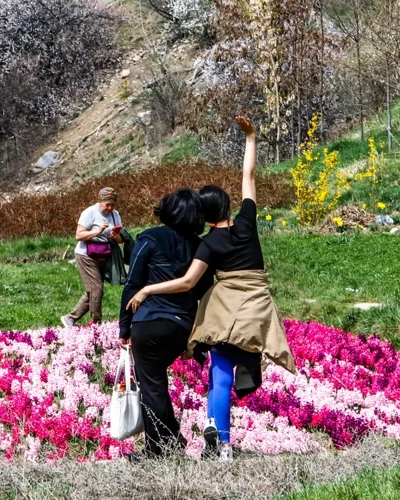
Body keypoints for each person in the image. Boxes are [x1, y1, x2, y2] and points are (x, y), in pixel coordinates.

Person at [126, 117, 296, 462]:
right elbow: (248, 176)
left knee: (219, 375)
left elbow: (189, 281)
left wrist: (146, 291)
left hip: (226, 312)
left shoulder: (208, 244)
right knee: (246, 355)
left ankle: (222, 443)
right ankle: (248, 373)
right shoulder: (247, 222)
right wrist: (250, 136)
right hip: (258, 308)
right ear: (229, 205)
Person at [118, 189, 213, 462]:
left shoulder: (149, 237)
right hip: (182, 326)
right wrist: (197, 339)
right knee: (156, 382)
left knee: (153, 387)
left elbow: (133, 283)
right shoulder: (201, 247)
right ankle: (171, 438)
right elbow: (204, 291)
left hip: (150, 322)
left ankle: (156, 450)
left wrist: (124, 328)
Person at [61, 187, 123, 327]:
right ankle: (96, 324)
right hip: (86, 255)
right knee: (96, 289)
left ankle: (70, 318)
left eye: (113, 204)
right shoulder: (89, 213)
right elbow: (79, 235)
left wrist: (116, 236)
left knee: (93, 289)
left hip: (104, 255)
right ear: (100, 201)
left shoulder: (115, 215)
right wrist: (98, 231)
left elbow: (120, 240)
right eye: (107, 204)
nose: (110, 208)